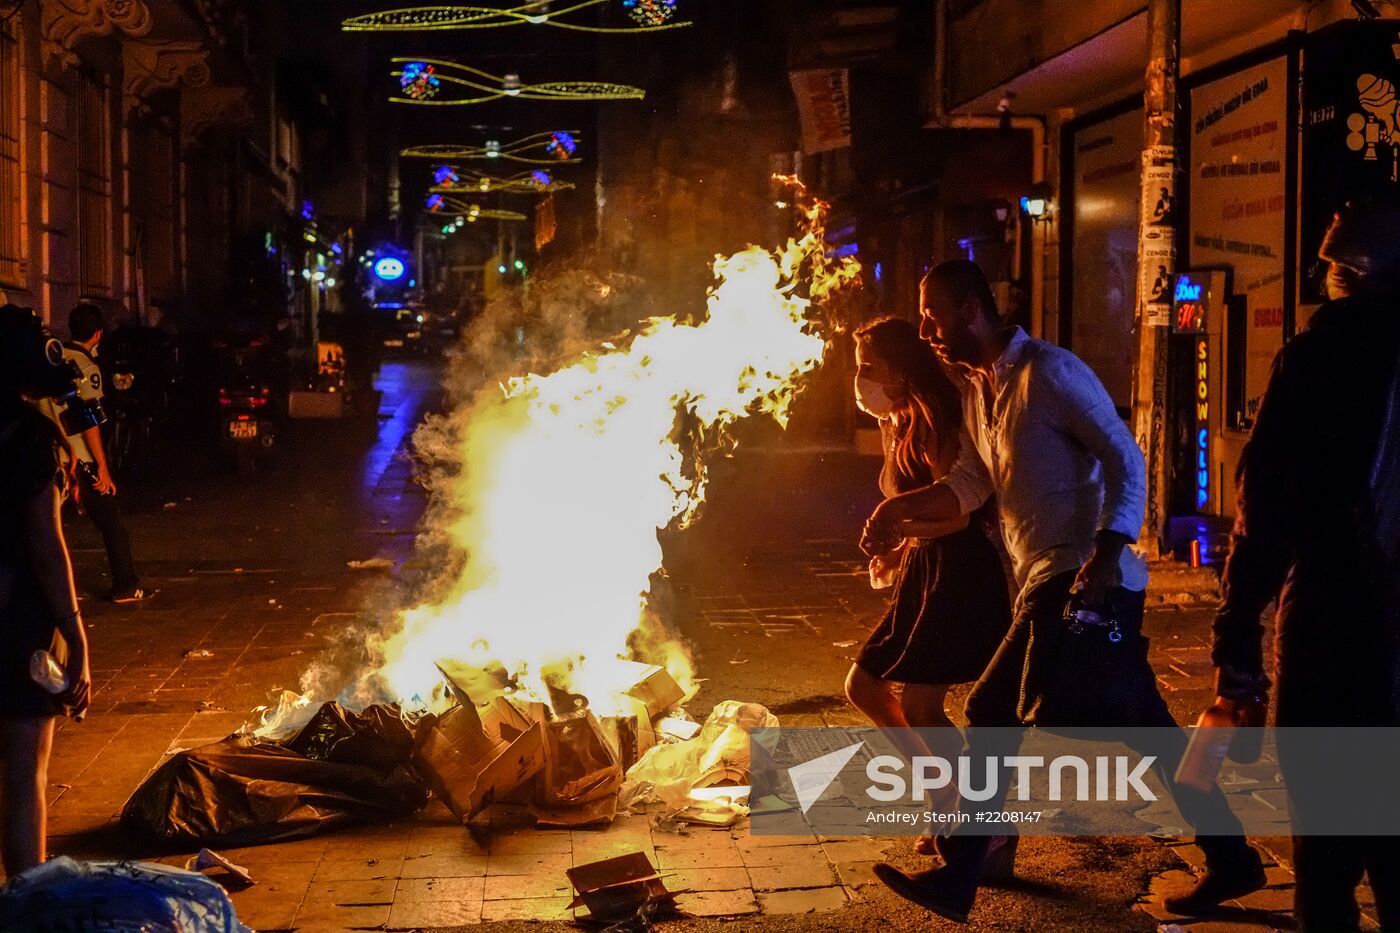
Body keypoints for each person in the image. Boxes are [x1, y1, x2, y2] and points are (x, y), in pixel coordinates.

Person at [863, 260, 1264, 923]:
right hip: (1045, 578)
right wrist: (895, 512)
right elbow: (969, 483)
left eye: (934, 312)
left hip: (1080, 575)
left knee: (992, 710)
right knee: (1152, 736)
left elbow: (1123, 455)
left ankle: (959, 874)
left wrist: (1109, 548)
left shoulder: (1049, 372)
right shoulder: (978, 392)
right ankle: (1232, 856)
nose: (927, 327)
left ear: (970, 309)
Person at [1209, 195, 1400, 932]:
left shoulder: (1319, 356)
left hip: (1336, 635)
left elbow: (1268, 511)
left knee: (1326, 868)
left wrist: (1238, 633)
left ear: (1352, 269)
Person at [844, 318, 1012, 853]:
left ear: (902, 368)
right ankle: (953, 803)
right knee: (865, 687)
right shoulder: (902, 420)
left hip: (961, 572)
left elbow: (960, 513)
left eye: (870, 366)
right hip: (928, 565)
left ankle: (981, 822)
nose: (861, 378)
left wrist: (898, 517)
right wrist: (899, 544)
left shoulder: (941, 413)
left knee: (919, 705)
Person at [0, 305, 93, 876]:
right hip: (15, 624)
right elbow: (46, 548)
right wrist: (75, 634)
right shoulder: (30, 437)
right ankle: (26, 903)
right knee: (22, 775)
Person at [37, 303, 152, 603]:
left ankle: (44, 592)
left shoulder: (50, 359)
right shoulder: (86, 368)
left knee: (46, 528)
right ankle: (126, 586)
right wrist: (102, 466)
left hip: (48, 460)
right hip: (79, 462)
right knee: (112, 524)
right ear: (98, 335)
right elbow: (90, 423)